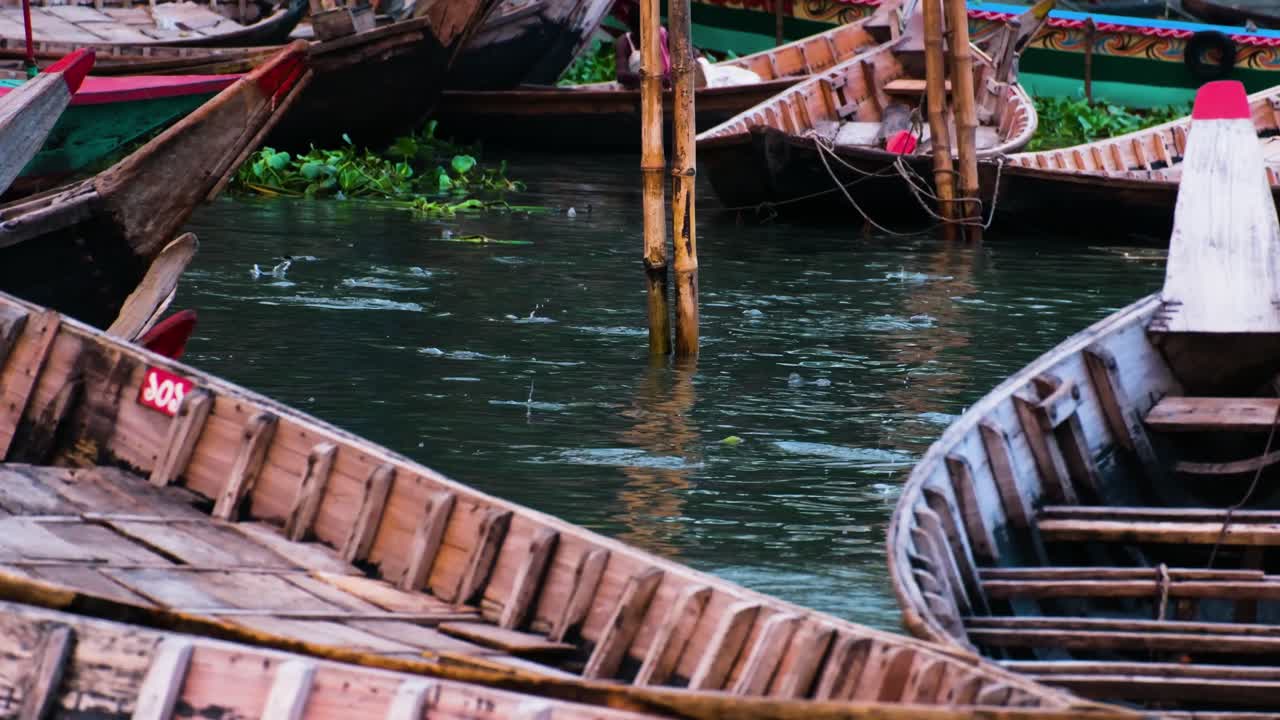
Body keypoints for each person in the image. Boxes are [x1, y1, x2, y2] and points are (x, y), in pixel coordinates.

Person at [614, 0, 670, 88]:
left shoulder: (663, 35)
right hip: (635, 97)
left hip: (665, 94)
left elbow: (687, 54)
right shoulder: (624, 42)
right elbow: (621, 75)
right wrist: (654, 79)